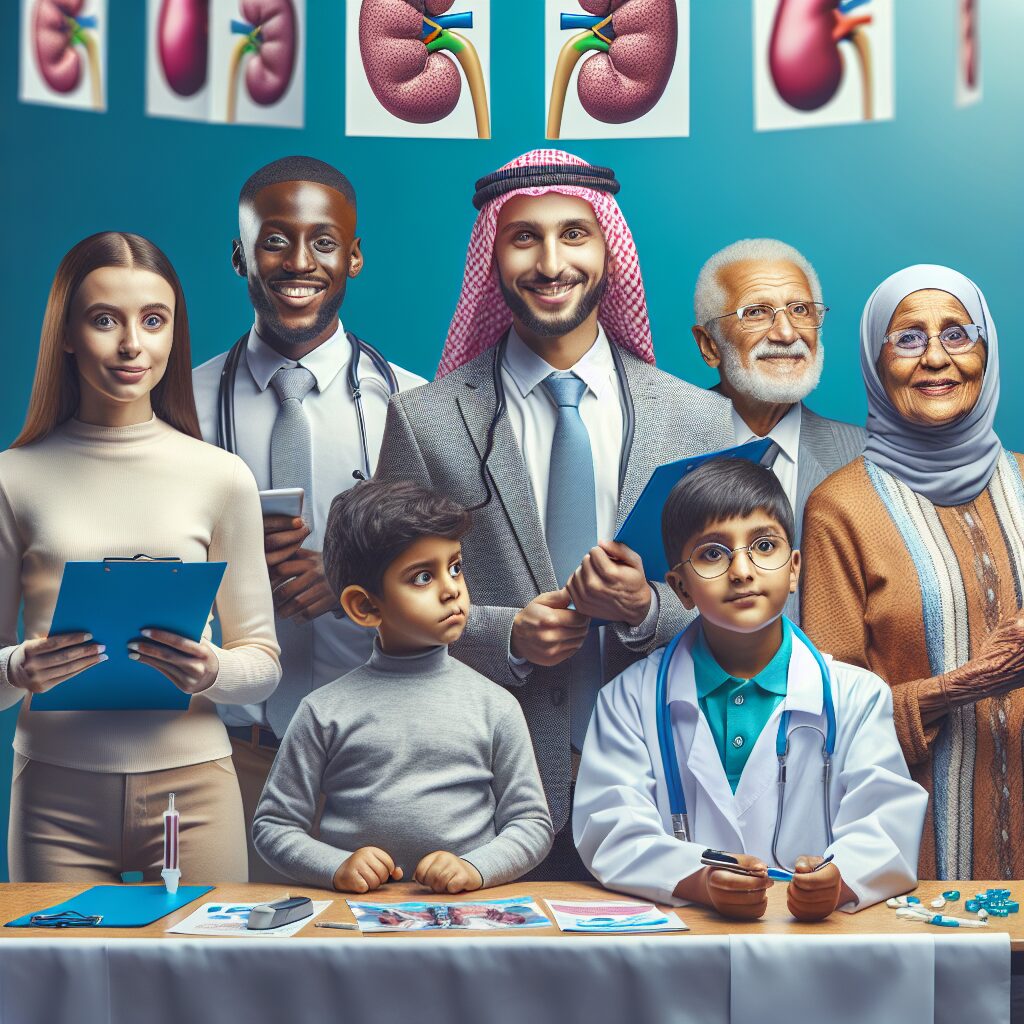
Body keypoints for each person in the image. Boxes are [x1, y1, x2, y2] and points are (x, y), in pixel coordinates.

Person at [374, 149, 734, 879]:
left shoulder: (703, 422)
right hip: (479, 803)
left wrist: (646, 610)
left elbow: (743, 605)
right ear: (492, 256)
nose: (550, 261)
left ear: (608, 247)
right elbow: (383, 608)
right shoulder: (426, 422)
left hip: (667, 794)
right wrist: (507, 634)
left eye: (574, 233)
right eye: (523, 237)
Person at [0, 232, 281, 882]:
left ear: (173, 333)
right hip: (53, 794)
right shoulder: (13, 478)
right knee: (56, 980)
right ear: (67, 334)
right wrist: (20, 666)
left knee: (210, 980)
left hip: (198, 790)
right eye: (105, 320)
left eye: (153, 321)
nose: (133, 345)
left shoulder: (221, 476)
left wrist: (210, 669)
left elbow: (262, 663)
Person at [192, 156, 425, 882]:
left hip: (382, 760)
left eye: (324, 242)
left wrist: (354, 578)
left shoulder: (415, 408)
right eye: (274, 240)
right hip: (235, 760)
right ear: (239, 256)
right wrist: (223, 568)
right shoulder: (178, 409)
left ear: (353, 255)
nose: (300, 262)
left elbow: (456, 586)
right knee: (229, 979)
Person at [573, 458, 926, 920]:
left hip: (811, 951)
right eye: (713, 554)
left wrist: (838, 881)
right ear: (680, 587)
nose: (742, 570)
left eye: (763, 546)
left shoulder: (856, 697)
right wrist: (700, 879)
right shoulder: (629, 700)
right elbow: (610, 827)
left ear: (795, 568)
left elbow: (886, 826)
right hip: (685, 950)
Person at [801, 265, 1024, 882]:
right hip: (914, 859)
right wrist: (969, 682)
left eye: (957, 334)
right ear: (876, 362)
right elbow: (828, 716)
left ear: (987, 352)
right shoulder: (840, 509)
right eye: (908, 338)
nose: (935, 358)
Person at [252, 480, 553, 892]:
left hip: (468, 921)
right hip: (355, 924)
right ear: (365, 606)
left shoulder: (495, 705)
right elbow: (274, 826)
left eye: (455, 567)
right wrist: (336, 867)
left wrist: (474, 869)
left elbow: (532, 825)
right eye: (422, 576)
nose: (451, 590)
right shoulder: (323, 710)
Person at [691, 239, 864, 620]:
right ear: (708, 346)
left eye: (800, 310)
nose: (786, 333)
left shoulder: (868, 459)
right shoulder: (656, 448)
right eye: (756, 312)